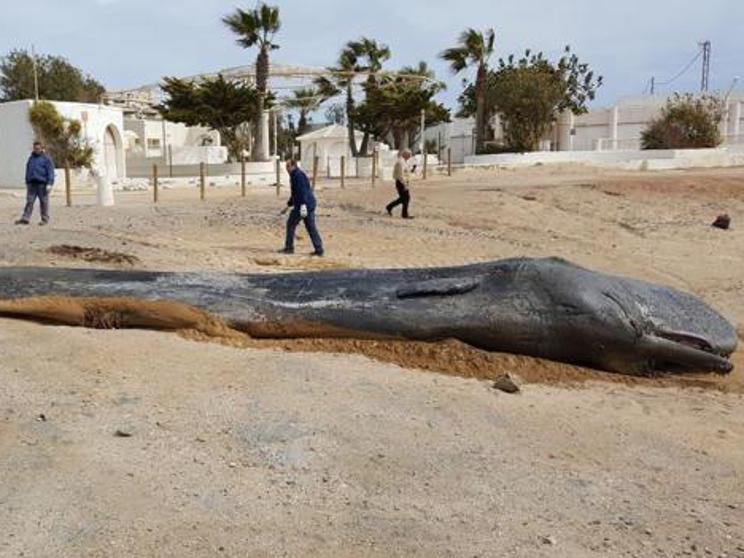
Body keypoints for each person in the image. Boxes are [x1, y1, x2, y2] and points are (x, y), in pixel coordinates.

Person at [280, 159, 324, 256]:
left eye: (288, 166)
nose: (287, 169)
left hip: (303, 206)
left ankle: (289, 248)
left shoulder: (297, 176)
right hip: (308, 204)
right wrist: (288, 206)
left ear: (293, 166)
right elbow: (295, 194)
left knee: (291, 224)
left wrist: (303, 206)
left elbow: (302, 192)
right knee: (311, 227)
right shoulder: (296, 175)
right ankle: (319, 249)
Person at [16, 142, 55, 226]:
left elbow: (50, 172)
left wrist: (50, 183)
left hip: (42, 184)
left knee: (43, 202)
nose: (36, 150)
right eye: (35, 148)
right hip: (32, 184)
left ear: (41, 149)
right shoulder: (31, 158)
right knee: (29, 201)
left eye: (38, 148)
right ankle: (25, 218)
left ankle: (44, 219)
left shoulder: (46, 159)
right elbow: (28, 169)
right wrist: (27, 180)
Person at [386, 148, 415, 219]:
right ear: (405, 154)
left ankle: (390, 207)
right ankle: (403, 214)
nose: (410, 156)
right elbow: (400, 175)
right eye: (409, 155)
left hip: (404, 182)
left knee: (404, 198)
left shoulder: (404, 162)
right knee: (406, 198)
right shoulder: (400, 162)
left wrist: (412, 170)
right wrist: (404, 184)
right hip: (401, 182)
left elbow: (407, 172)